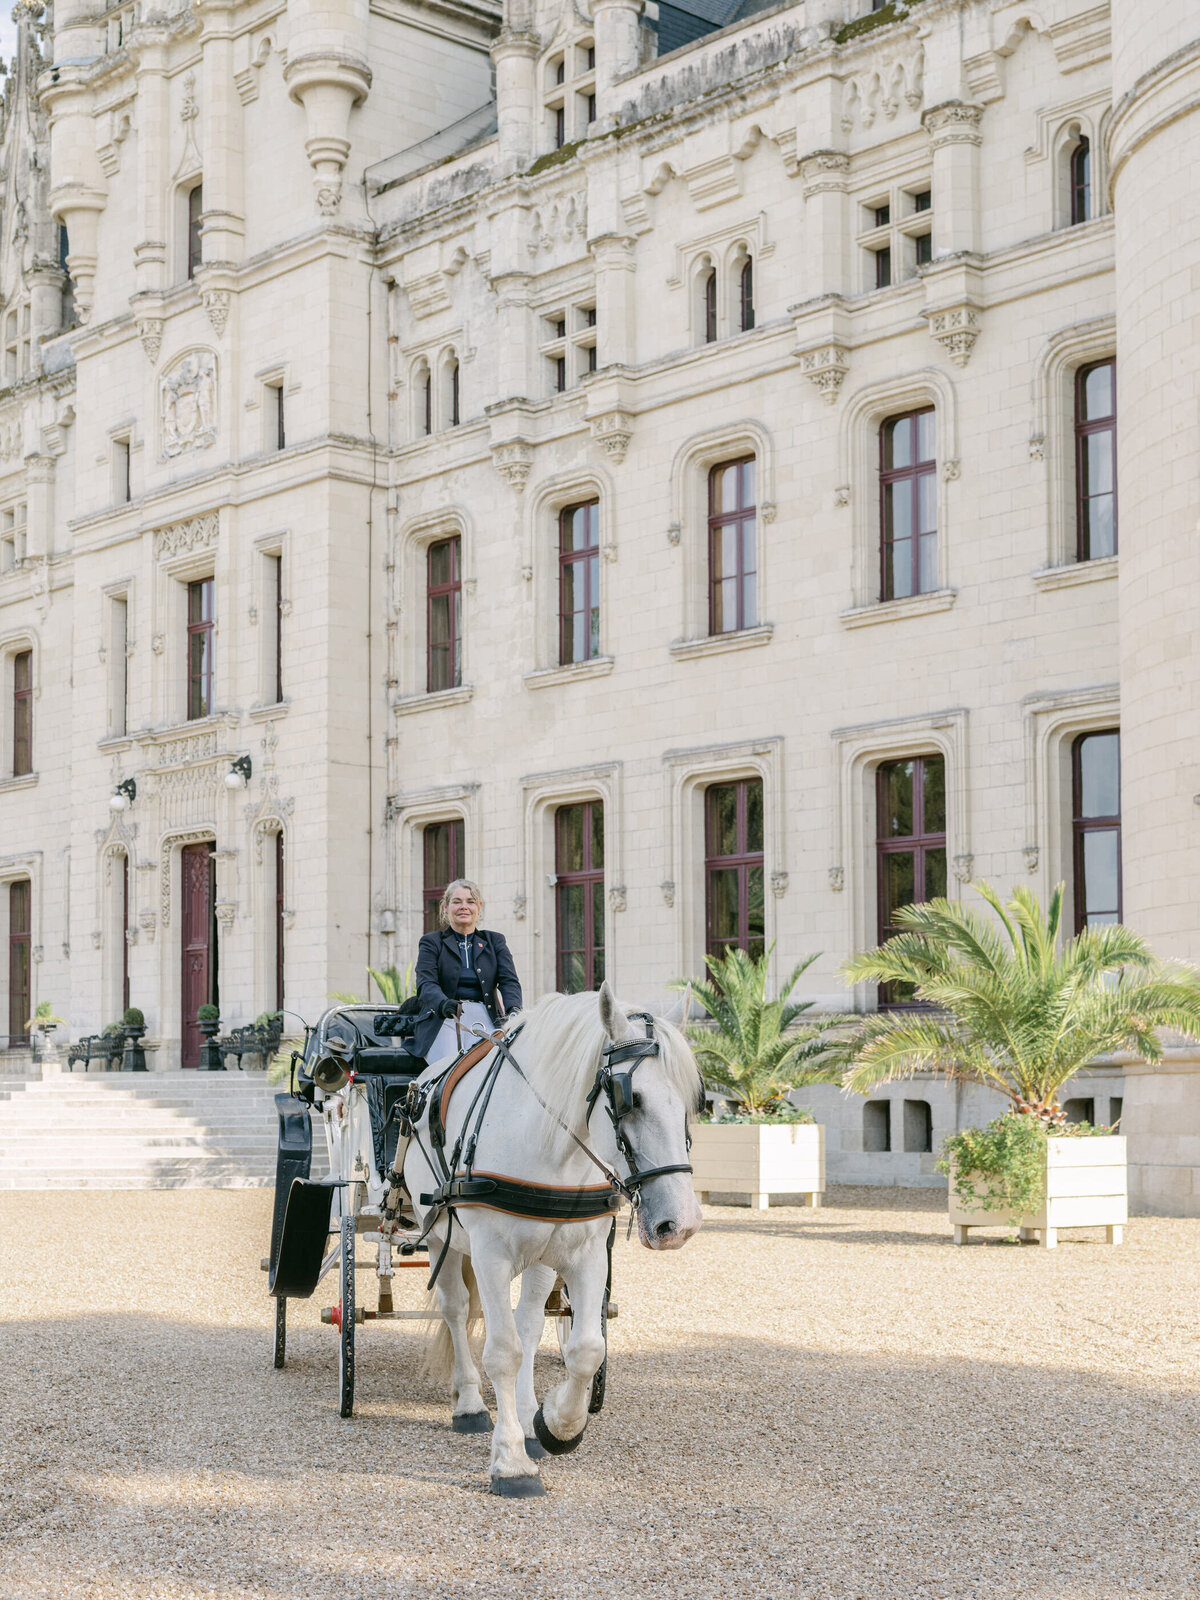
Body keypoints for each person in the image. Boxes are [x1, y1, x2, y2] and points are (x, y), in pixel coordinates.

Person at [412, 878, 523, 1067]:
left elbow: (509, 981)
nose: (464, 907)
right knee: (449, 1068)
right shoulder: (431, 942)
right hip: (443, 1019)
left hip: (486, 1017)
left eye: (470, 902)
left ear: (478, 907)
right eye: (457, 902)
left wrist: (514, 1010)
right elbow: (426, 984)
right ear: (446, 907)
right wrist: (443, 1003)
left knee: (495, 1068)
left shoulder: (495, 941)